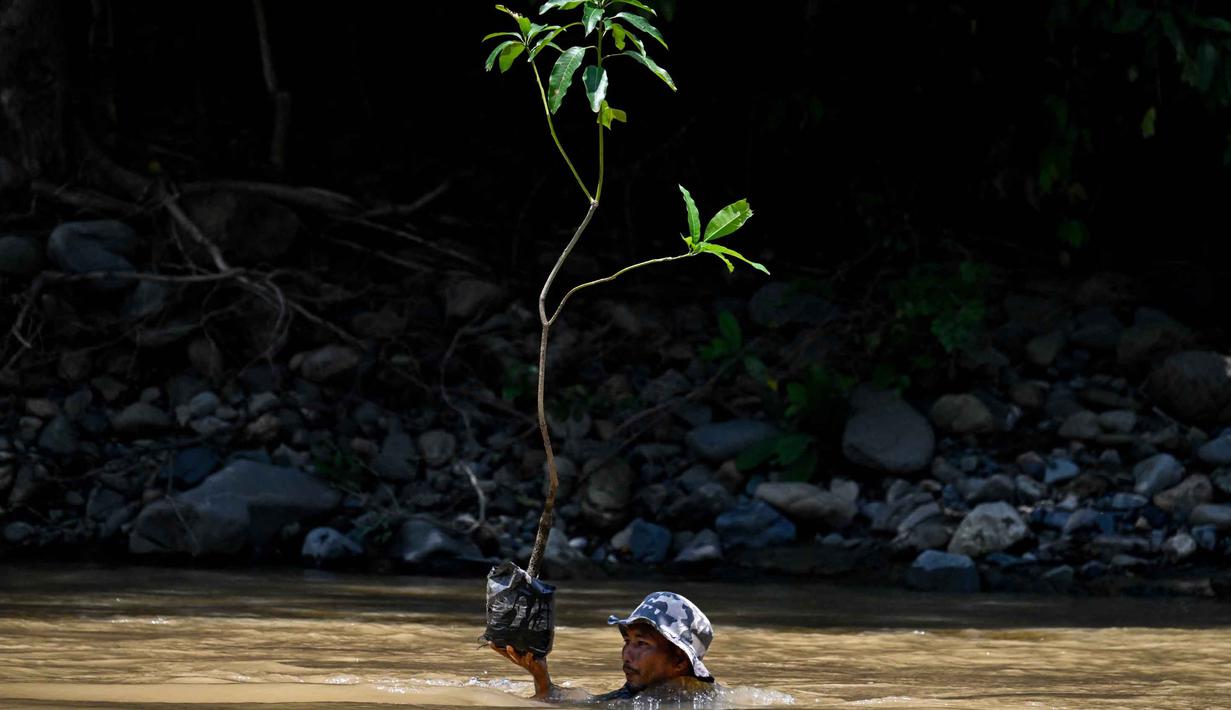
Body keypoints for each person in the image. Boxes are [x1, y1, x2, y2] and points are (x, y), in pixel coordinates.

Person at [490, 591, 719, 703]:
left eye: (642, 643)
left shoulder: (676, 700)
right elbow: (588, 703)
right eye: (627, 641)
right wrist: (539, 673)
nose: (627, 654)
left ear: (680, 661)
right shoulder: (639, 691)